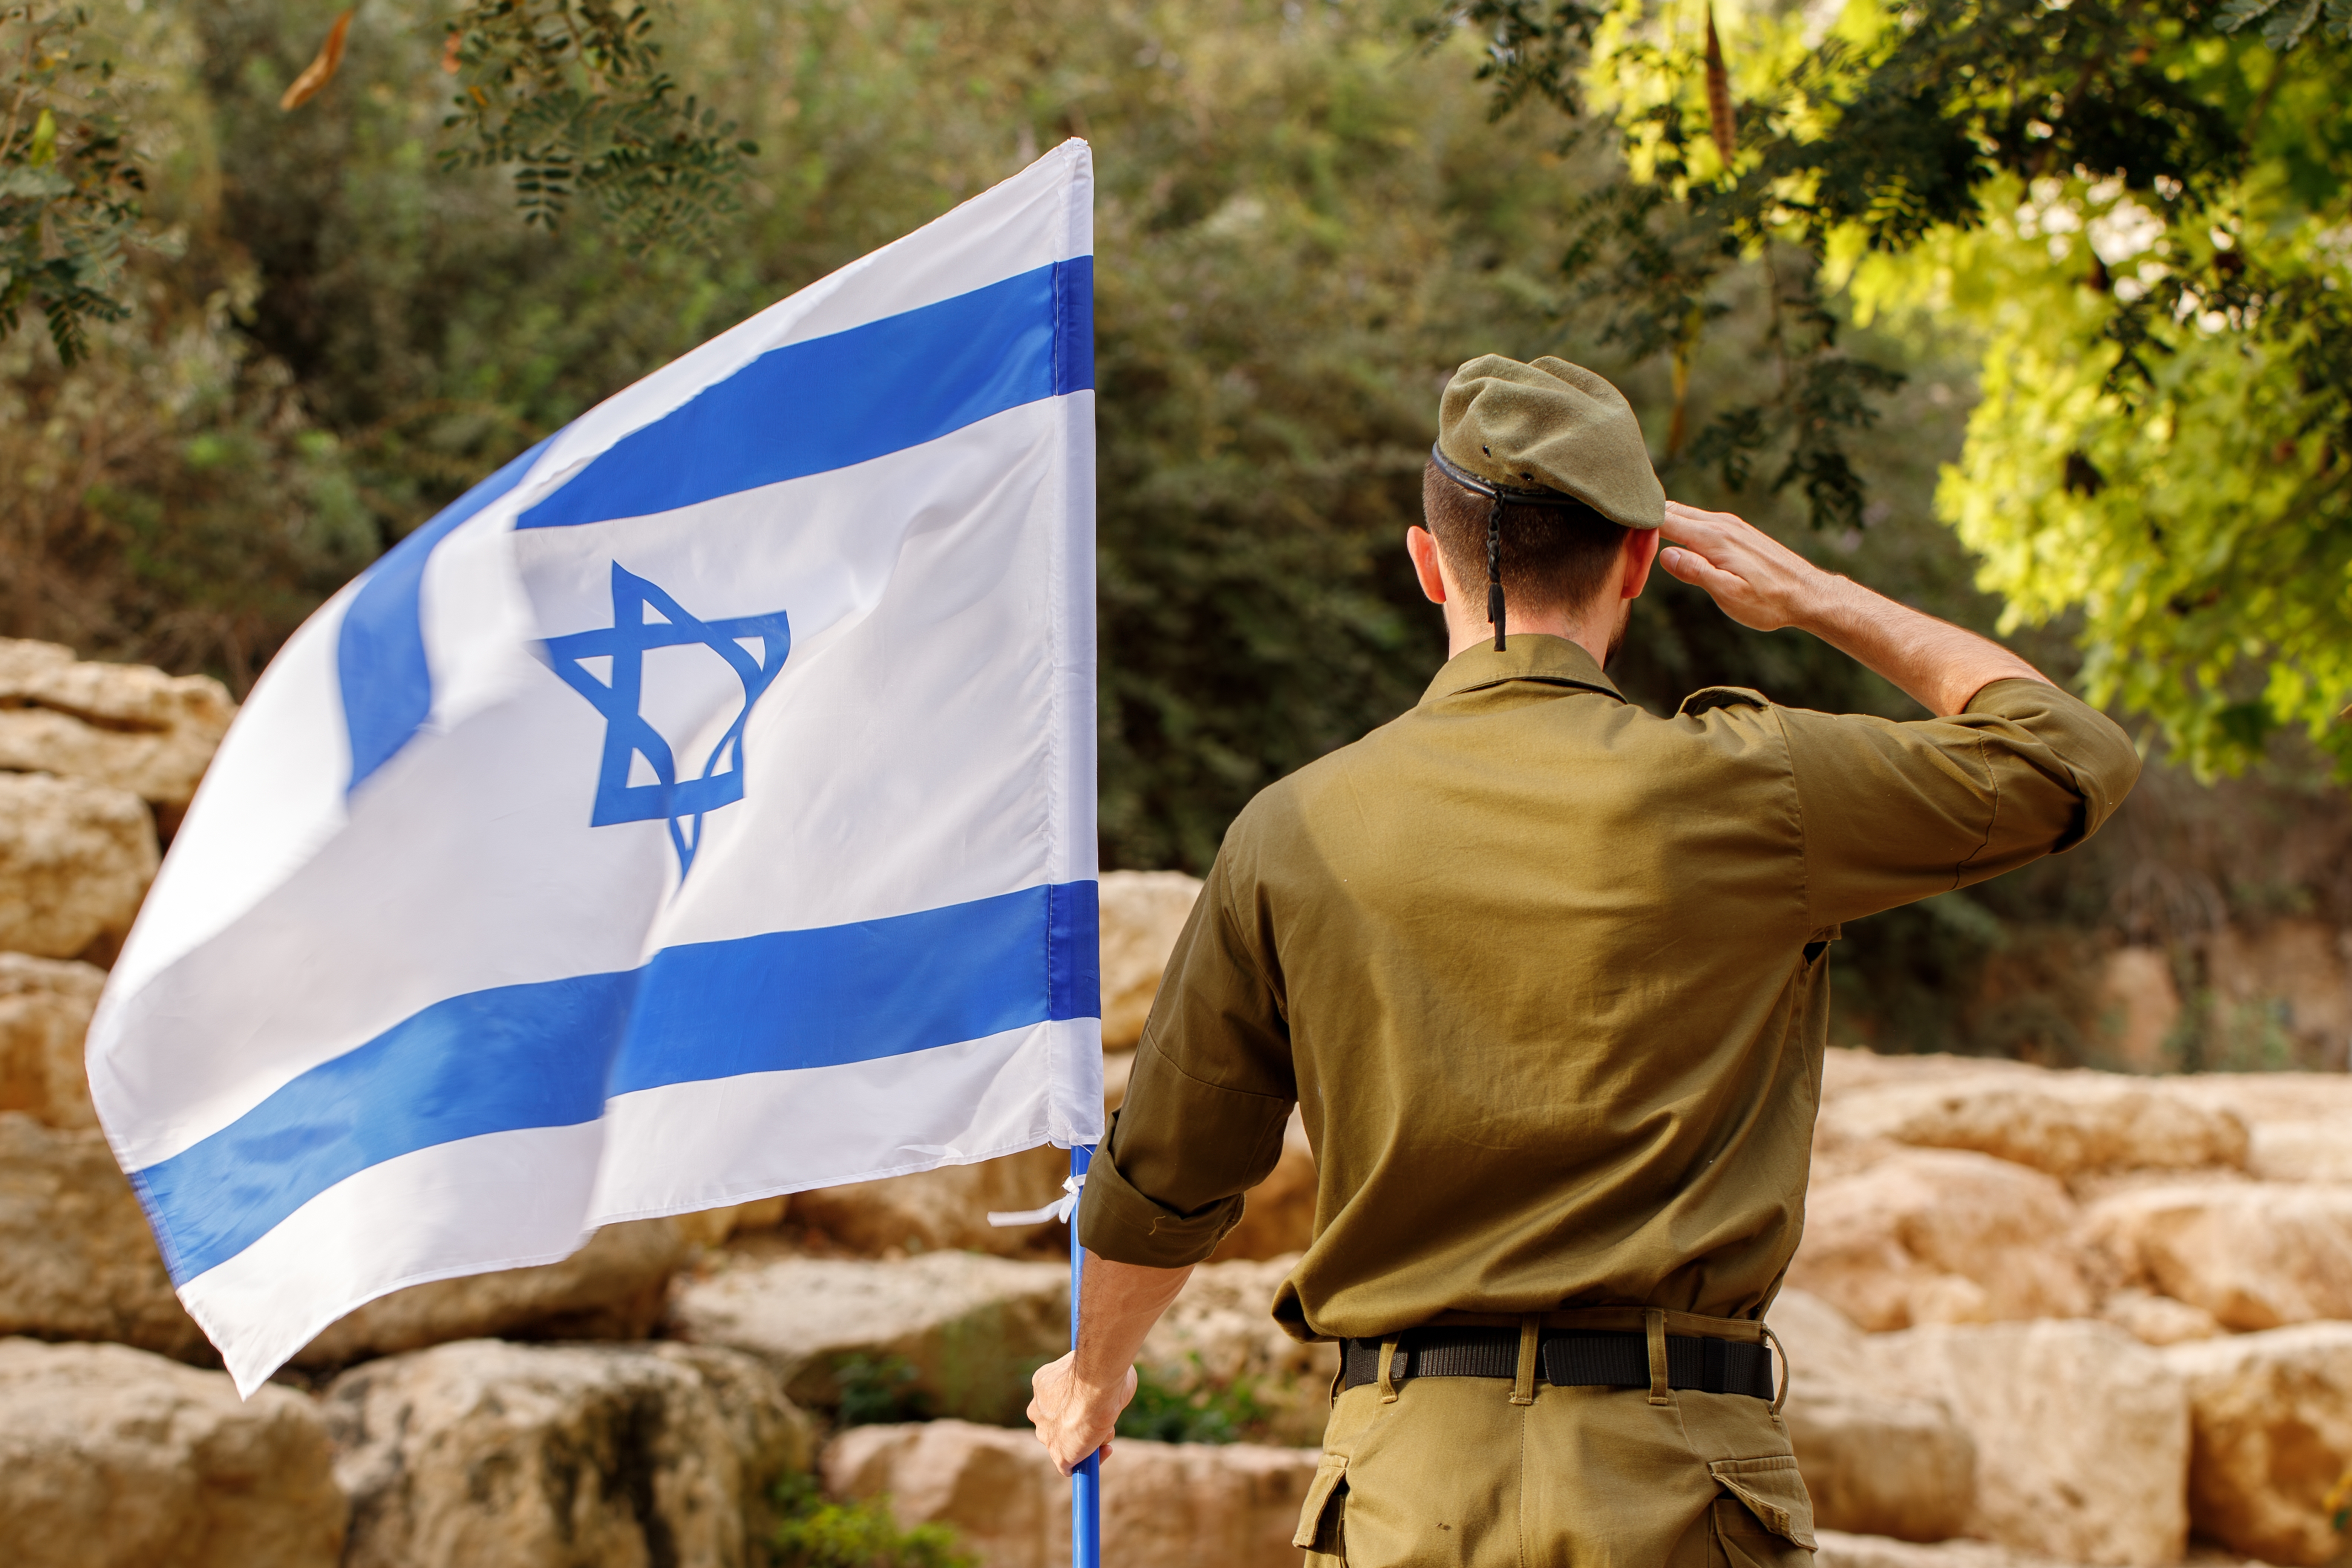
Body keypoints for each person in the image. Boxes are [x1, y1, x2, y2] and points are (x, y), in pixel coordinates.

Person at [1029, 354, 2140, 1566]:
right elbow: (2064, 755)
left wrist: (1096, 1375)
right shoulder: (1751, 788)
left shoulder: (1290, 831)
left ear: (1423, 560)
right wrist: (1815, 596)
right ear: (1641, 565)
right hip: (1677, 1489)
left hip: (1405, 1494)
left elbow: (1174, 1173)